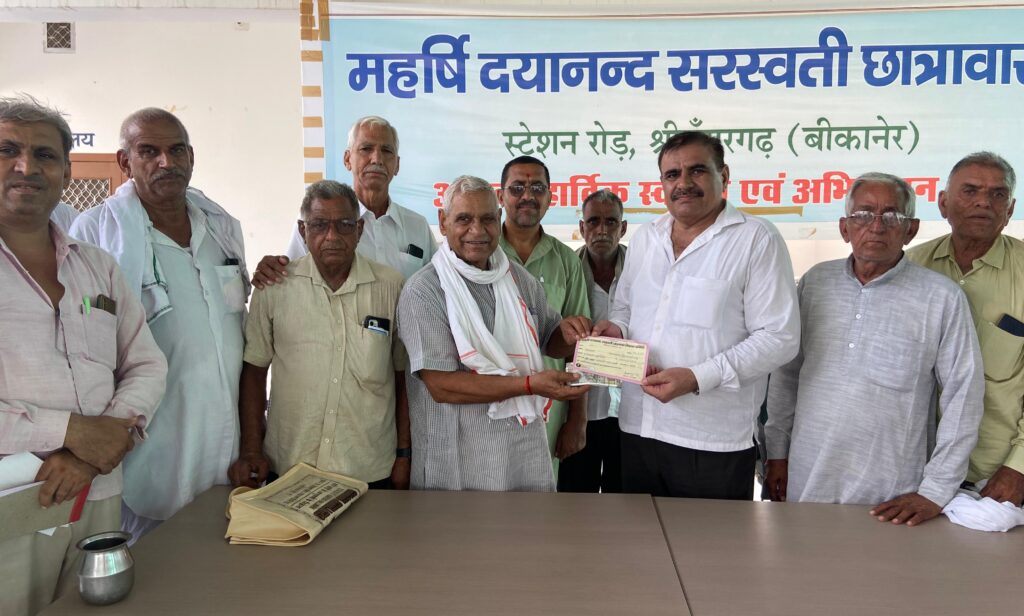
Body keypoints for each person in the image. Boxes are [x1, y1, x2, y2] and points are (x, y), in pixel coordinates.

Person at [0, 95, 166, 616]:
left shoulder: (96, 267)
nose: (26, 167)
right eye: (8, 150)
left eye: (44, 155)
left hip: (97, 493)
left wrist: (96, 446)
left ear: (67, 171)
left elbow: (146, 363)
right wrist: (70, 432)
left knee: (95, 607)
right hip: (15, 502)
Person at [765, 173, 984, 526]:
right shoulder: (815, 283)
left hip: (892, 495)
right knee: (801, 558)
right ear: (845, 228)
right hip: (808, 479)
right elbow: (786, 374)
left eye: (892, 216)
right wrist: (776, 453)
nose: (877, 226)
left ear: (911, 230)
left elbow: (964, 395)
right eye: (863, 215)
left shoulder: (941, 297)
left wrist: (935, 490)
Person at [70, 108, 249, 541]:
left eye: (176, 150)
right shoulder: (95, 233)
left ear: (191, 157)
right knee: (152, 558)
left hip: (224, 433)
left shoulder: (220, 227)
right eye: (149, 151)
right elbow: (82, 338)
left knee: (222, 553)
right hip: (150, 434)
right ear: (124, 161)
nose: (166, 162)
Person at [593, 131, 800, 499]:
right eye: (672, 174)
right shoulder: (646, 238)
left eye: (697, 170)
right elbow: (624, 308)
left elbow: (779, 338)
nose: (683, 183)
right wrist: (616, 330)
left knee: (710, 538)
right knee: (639, 534)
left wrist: (697, 378)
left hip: (712, 440)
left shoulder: (756, 239)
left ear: (724, 175)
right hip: (638, 428)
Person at [397, 175, 590, 491]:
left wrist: (568, 335)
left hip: (520, 450)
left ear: (499, 219)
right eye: (464, 219)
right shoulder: (425, 290)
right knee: (459, 525)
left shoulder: (518, 279)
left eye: (487, 218)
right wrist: (528, 385)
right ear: (443, 222)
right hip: (458, 457)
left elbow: (550, 339)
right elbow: (441, 386)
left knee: (525, 523)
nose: (477, 230)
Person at [228, 180, 410, 489]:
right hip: (290, 466)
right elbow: (255, 372)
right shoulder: (275, 288)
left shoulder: (391, 287)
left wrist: (404, 454)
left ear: (360, 229)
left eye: (344, 225)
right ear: (303, 231)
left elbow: (402, 376)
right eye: (319, 225)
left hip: (370, 468)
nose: (332, 236)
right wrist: (251, 450)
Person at [908, 152, 1024, 506]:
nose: (983, 202)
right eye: (970, 191)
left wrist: (1019, 467)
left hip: (997, 480)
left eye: (997, 194)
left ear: (1010, 209)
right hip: (912, 472)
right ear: (943, 203)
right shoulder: (909, 268)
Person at [253, 115, 436, 286]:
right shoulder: (315, 222)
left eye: (386, 150)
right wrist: (271, 270)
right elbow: (291, 279)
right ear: (347, 159)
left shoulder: (417, 226)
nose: (377, 159)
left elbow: (437, 284)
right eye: (366, 149)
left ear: (397, 165)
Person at [497, 155, 590, 470]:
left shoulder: (566, 261)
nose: (527, 196)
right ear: (501, 196)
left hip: (549, 408)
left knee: (542, 491)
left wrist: (577, 420)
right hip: (488, 402)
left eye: (537, 188)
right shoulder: (482, 254)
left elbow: (582, 347)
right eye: (517, 188)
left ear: (550, 198)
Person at [557, 189, 627, 493]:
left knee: (625, 500)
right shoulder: (566, 271)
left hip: (630, 413)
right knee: (575, 500)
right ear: (582, 227)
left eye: (611, 222)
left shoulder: (642, 271)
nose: (602, 230)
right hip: (579, 410)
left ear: (623, 228)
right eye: (593, 221)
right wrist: (575, 420)